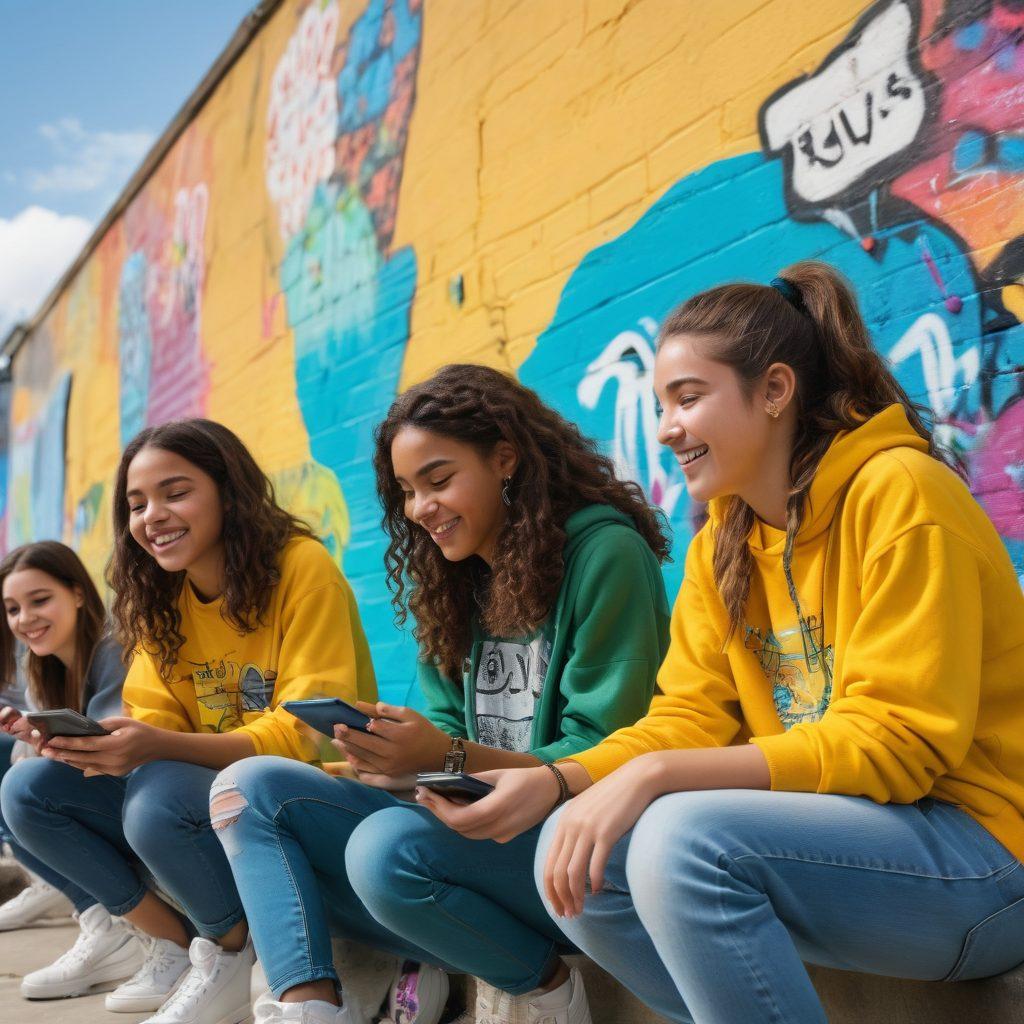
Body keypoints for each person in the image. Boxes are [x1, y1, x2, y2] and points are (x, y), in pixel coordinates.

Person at [422, 263, 1024, 1024]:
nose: (667, 426)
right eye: (661, 404)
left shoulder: (900, 493)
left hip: (987, 864)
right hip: (859, 856)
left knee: (682, 836)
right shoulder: (723, 544)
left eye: (688, 397)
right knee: (571, 862)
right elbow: (687, 717)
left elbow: (895, 746)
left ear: (774, 391)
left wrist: (656, 778)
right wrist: (561, 780)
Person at [210, 364, 671, 1024]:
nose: (420, 508)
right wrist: (390, 759)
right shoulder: (454, 584)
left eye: (439, 479)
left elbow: (605, 753)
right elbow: (448, 738)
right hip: (477, 828)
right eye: (406, 490)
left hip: (581, 839)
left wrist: (447, 757)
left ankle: (542, 988)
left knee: (385, 852)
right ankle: (306, 1007)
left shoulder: (604, 555)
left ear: (504, 460)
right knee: (248, 790)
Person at [1, 419, 376, 1024]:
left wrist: (155, 745)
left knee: (158, 800)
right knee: (28, 789)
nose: (152, 515)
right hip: (208, 786)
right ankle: (180, 944)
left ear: (229, 492)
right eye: (136, 503)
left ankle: (235, 952)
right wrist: (88, 747)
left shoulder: (301, 567)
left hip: (303, 789)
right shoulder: (157, 596)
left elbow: (308, 733)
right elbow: (153, 720)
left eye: (175, 493)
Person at [0, 542, 125, 935]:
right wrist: (32, 743)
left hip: (143, 801)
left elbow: (117, 750)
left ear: (77, 593)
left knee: (24, 786)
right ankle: (92, 913)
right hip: (98, 797)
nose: (25, 619)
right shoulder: (39, 667)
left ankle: (114, 919)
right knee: (18, 778)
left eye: (39, 600)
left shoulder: (116, 653)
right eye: (13, 609)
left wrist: (45, 749)